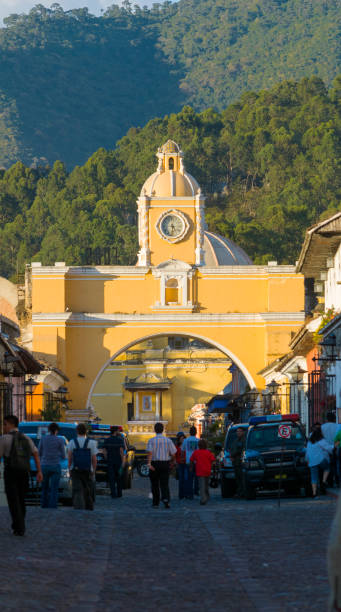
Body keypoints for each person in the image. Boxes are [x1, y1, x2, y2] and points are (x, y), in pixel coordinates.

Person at [0, 414, 42, 536]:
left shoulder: (4, 439)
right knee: (21, 499)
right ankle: (19, 523)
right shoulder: (26, 438)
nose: (3, 427)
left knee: (13, 500)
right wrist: (39, 471)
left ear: (9, 424)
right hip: (24, 472)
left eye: (4, 424)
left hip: (11, 472)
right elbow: (35, 454)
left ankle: (19, 527)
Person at [67, 423, 97, 510]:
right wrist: (93, 470)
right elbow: (94, 459)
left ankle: (78, 507)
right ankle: (88, 507)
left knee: (77, 489)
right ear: (86, 432)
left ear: (77, 431)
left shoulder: (72, 442)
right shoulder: (91, 443)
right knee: (87, 489)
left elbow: (69, 458)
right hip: (88, 470)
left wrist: (69, 469)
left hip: (75, 469)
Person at [146, 422, 176, 508]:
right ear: (163, 430)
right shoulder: (168, 440)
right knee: (165, 483)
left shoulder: (151, 440)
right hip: (165, 463)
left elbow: (150, 453)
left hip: (154, 464)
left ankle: (155, 503)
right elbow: (173, 453)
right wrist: (173, 461)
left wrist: (149, 463)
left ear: (154, 430)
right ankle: (166, 499)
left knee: (155, 484)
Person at [38, 422, 66, 508]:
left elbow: (39, 452)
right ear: (56, 431)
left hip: (44, 465)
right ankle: (53, 506)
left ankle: (44, 505)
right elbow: (63, 455)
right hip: (55, 465)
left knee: (44, 488)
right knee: (54, 488)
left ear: (49, 430)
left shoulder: (43, 439)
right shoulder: (60, 440)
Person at [305, 428, 333, 498]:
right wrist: (334, 446)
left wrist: (307, 460)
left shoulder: (309, 442)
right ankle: (323, 482)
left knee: (313, 478)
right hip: (321, 460)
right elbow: (328, 448)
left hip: (312, 462)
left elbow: (307, 453)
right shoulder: (321, 440)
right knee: (327, 468)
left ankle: (314, 494)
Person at [190, 439, 216, 505]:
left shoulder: (196, 452)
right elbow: (213, 460)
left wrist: (191, 467)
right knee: (206, 485)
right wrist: (213, 468)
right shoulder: (208, 452)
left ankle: (203, 499)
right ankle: (207, 496)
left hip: (200, 471)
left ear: (198, 445)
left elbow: (191, 460)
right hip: (207, 471)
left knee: (201, 486)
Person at [103, 426, 125, 498]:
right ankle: (119, 493)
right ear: (115, 431)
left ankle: (113, 494)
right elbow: (121, 452)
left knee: (111, 478)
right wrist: (123, 462)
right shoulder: (120, 440)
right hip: (118, 461)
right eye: (118, 431)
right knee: (119, 477)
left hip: (110, 461)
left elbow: (104, 452)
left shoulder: (107, 440)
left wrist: (107, 459)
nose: (119, 432)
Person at [322, 412, 341, 487]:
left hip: (326, 449)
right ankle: (337, 480)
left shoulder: (322, 427)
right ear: (334, 418)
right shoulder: (338, 426)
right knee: (336, 465)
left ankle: (329, 482)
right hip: (336, 448)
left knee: (328, 466)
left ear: (326, 419)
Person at [182, 426, 199, 499]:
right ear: (196, 432)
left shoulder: (186, 440)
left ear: (189, 432)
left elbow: (182, 451)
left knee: (189, 478)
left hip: (188, 462)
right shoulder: (198, 440)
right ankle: (196, 491)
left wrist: (184, 458)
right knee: (197, 478)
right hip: (197, 462)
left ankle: (190, 493)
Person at [230, 427, 246, 498]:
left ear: (243, 432)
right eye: (237, 431)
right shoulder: (235, 440)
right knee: (238, 479)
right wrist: (231, 456)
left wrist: (233, 455)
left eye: (240, 431)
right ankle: (240, 492)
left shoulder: (244, 440)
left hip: (241, 462)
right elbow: (232, 449)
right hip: (235, 463)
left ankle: (242, 492)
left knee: (242, 478)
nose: (238, 433)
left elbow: (240, 450)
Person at [175, 432, 186, 500]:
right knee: (181, 480)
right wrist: (175, 463)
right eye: (181, 439)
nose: (182, 440)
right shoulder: (176, 447)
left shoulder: (186, 446)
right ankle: (181, 494)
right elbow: (175, 456)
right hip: (180, 464)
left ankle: (185, 493)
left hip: (186, 463)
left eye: (183, 438)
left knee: (186, 479)